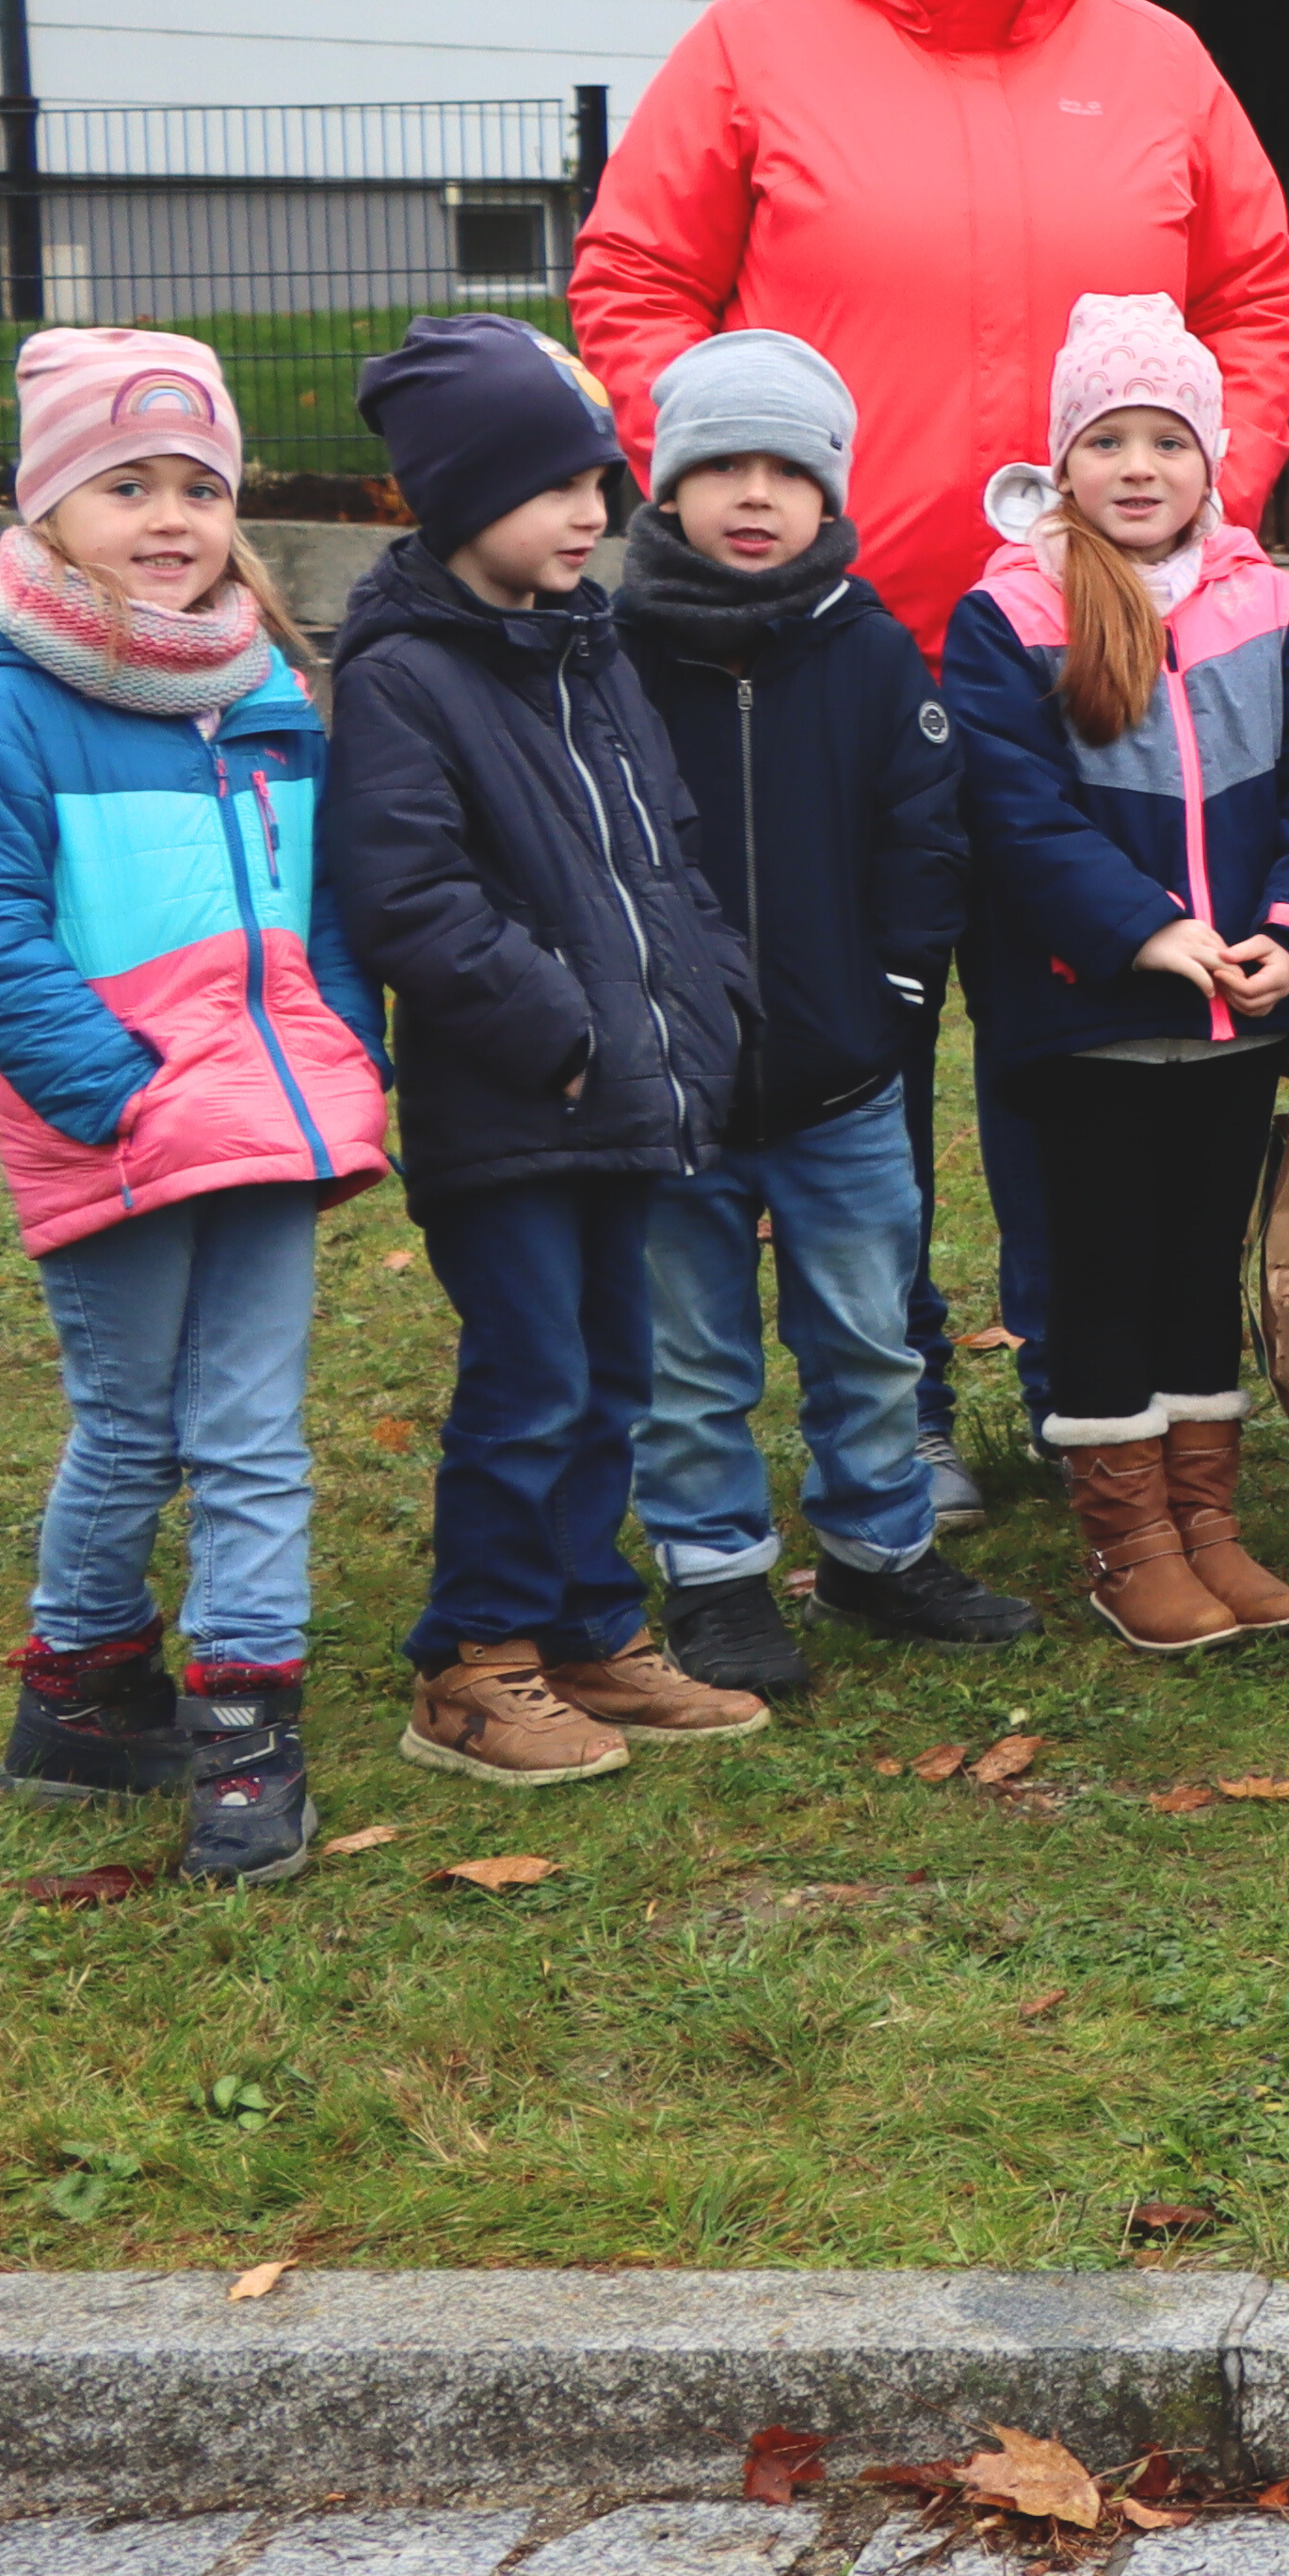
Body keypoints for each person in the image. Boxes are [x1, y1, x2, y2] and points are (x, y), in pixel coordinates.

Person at [568, 0, 1289, 1524]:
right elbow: (637, 278)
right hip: (843, 643)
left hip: (1106, 646)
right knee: (857, 1027)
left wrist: (1211, 511)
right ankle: (888, 1391)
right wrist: (727, 490)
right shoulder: (756, 48)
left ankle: (1102, 1387)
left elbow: (1262, 289)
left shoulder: (1152, 58)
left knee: (1094, 1026)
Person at [0, 333, 383, 1881]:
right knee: (130, 1421)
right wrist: (110, 1092)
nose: (172, 515)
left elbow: (321, 910)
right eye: (127, 485)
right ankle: (77, 1690)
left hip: (263, 1116)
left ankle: (243, 1731)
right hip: (116, 1125)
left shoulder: (261, 688)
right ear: (48, 507)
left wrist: (340, 1048)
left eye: (199, 484)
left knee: (249, 1424)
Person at [330, 316, 760, 1785]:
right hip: (516, 1106)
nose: (593, 513)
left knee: (611, 1374)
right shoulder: (403, 677)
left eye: (601, 482)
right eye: (554, 486)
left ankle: (585, 1630)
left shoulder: (592, 654)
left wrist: (712, 993)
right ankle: (473, 1661)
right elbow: (408, 895)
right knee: (530, 1382)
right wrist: (564, 1029)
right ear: (456, 500)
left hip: (633, 1091)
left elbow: (668, 857)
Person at [938, 294, 1289, 1662]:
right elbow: (1012, 809)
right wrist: (1145, 927)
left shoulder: (1274, 609)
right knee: (1103, 1269)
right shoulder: (1008, 615)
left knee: (1197, 1262)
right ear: (1061, 463)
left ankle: (1208, 1516)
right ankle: (1126, 1538)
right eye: (1109, 440)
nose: (1139, 467)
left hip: (1235, 1017)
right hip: (1092, 1017)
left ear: (1214, 459)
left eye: (1167, 440)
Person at [620, 331, 1026, 1694]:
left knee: (863, 1330)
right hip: (673, 1084)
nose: (751, 495)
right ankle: (718, 1574)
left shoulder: (865, 652)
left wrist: (896, 995)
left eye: (783, 471)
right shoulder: (612, 656)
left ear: (828, 494)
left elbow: (924, 836)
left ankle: (878, 1552)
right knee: (691, 1350)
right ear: (666, 487)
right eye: (720, 467)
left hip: (843, 1071)